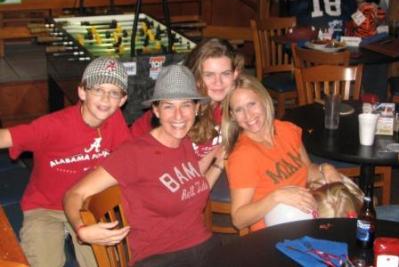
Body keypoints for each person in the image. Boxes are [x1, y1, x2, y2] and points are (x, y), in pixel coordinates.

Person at [64, 64, 226, 267]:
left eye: (185, 105)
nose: (178, 115)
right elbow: (74, 194)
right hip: (158, 258)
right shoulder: (134, 154)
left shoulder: (185, 142)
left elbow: (194, 186)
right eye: (168, 106)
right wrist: (81, 230)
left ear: (197, 109)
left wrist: (218, 162)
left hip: (204, 247)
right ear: (156, 111)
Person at [0, 56, 130, 267]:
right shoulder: (53, 126)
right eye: (98, 89)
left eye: (114, 92)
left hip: (88, 205)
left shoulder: (115, 121)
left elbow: (128, 158)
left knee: (108, 262)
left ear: (122, 100)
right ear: (82, 91)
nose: (105, 99)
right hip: (44, 208)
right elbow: (6, 137)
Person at [221, 74, 343, 232]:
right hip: (273, 234)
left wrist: (324, 169)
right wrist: (276, 197)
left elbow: (307, 170)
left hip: (309, 218)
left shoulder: (287, 130)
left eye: (252, 104)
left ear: (264, 100)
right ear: (233, 116)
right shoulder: (243, 156)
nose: (248, 115)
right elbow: (238, 219)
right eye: (239, 110)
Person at [130, 38, 243, 158]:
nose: (218, 82)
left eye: (225, 74)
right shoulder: (178, 112)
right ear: (196, 77)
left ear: (235, 74)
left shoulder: (237, 105)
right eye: (209, 75)